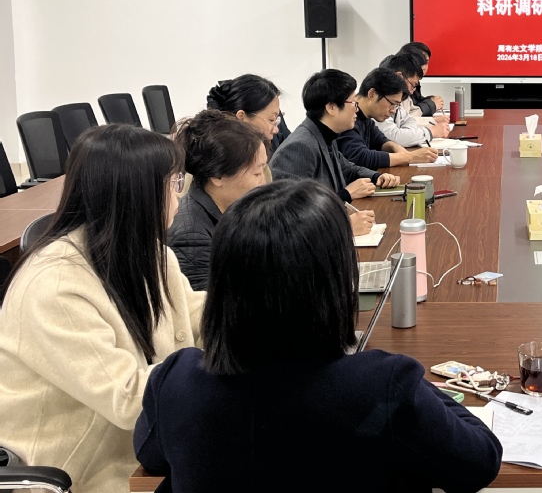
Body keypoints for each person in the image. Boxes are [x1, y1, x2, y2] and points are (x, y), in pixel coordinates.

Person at [134, 180, 503, 493]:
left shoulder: (175, 380)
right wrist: (416, 386)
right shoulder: (382, 386)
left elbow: (150, 456)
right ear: (334, 281)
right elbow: (480, 461)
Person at [0, 125, 204, 493]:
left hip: (142, 448)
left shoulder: (149, 253)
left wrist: (258, 311)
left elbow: (193, 317)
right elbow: (126, 396)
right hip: (80, 470)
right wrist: (216, 372)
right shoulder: (56, 286)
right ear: (136, 195)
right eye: (173, 184)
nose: (179, 196)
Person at [268, 68, 400, 235]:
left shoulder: (325, 135)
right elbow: (291, 217)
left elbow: (348, 168)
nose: (356, 109)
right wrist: (346, 195)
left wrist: (376, 176)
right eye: (353, 103)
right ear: (331, 107)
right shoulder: (299, 147)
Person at [168, 110, 269, 290]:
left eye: (263, 170)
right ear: (217, 176)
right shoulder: (191, 238)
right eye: (256, 173)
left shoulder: (234, 210)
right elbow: (205, 304)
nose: (263, 183)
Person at [336, 67, 439, 168]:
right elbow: (360, 157)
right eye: (392, 104)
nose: (393, 110)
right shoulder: (348, 120)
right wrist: (410, 157)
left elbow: (381, 140)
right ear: (372, 94)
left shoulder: (366, 118)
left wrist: (396, 148)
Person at [376, 52, 451, 147]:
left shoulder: (396, 100)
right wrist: (431, 132)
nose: (412, 92)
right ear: (399, 76)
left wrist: (407, 134)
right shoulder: (381, 100)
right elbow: (394, 137)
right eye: (412, 85)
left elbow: (409, 120)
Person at [206, 74, 285, 150]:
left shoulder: (276, 143)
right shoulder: (219, 154)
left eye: (276, 120)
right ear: (241, 117)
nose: (276, 130)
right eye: (271, 120)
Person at [401, 41, 445, 116]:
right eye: (420, 61)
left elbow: (415, 103)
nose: (424, 67)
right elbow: (407, 116)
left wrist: (430, 100)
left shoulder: (413, 79)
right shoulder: (399, 81)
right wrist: (432, 104)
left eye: (426, 62)